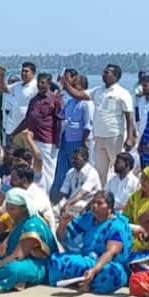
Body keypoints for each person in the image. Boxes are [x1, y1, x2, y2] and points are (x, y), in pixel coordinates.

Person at [0, 188, 58, 292]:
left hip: (37, 265)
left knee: (12, 270)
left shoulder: (33, 224)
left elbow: (16, 256)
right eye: (7, 208)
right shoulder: (11, 217)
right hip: (9, 259)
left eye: (12, 209)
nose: (9, 212)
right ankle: (2, 279)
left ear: (23, 208)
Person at [62, 64, 137, 186]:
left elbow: (130, 117)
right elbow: (78, 94)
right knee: (100, 171)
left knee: (119, 168)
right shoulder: (97, 91)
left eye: (107, 72)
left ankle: (123, 192)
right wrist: (66, 84)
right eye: (103, 72)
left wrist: (130, 137)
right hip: (98, 137)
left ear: (115, 76)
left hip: (115, 136)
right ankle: (101, 194)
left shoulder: (123, 93)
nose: (103, 74)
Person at [48, 191, 133, 294]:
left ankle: (86, 282)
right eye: (93, 202)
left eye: (99, 203)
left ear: (110, 208)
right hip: (87, 261)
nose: (94, 206)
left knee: (112, 273)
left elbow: (111, 253)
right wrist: (63, 224)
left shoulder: (117, 226)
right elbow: (62, 238)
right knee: (57, 260)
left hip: (106, 264)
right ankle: (81, 281)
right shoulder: (88, 218)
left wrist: (94, 271)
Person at [12, 73, 61, 194]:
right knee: (35, 168)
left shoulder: (55, 100)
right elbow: (27, 119)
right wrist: (14, 132)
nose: (40, 85)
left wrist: (58, 140)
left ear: (49, 84)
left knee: (48, 171)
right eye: (39, 82)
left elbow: (60, 120)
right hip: (33, 140)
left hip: (48, 141)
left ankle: (47, 196)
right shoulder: (34, 100)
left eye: (43, 82)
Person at [50, 74, 91, 202]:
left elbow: (87, 126)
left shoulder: (86, 104)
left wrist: (83, 143)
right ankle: (56, 199)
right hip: (65, 140)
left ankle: (73, 199)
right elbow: (61, 116)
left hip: (77, 142)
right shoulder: (70, 102)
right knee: (61, 172)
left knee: (75, 171)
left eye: (75, 86)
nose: (72, 88)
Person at [55, 147, 102, 217]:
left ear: (85, 159)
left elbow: (81, 194)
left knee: (71, 210)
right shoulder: (71, 172)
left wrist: (68, 204)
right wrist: (59, 203)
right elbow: (63, 192)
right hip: (72, 202)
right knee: (54, 210)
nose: (73, 161)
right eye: (72, 158)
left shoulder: (92, 173)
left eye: (76, 159)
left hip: (88, 204)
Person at [4, 62, 38, 143]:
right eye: (22, 71)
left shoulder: (37, 86)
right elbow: (3, 89)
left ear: (33, 73)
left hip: (27, 129)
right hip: (13, 127)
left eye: (26, 71)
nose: (23, 73)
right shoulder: (18, 85)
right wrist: (2, 75)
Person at [136, 75, 149, 139]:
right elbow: (140, 119)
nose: (143, 88)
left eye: (145, 86)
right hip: (141, 136)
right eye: (142, 86)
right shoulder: (141, 100)